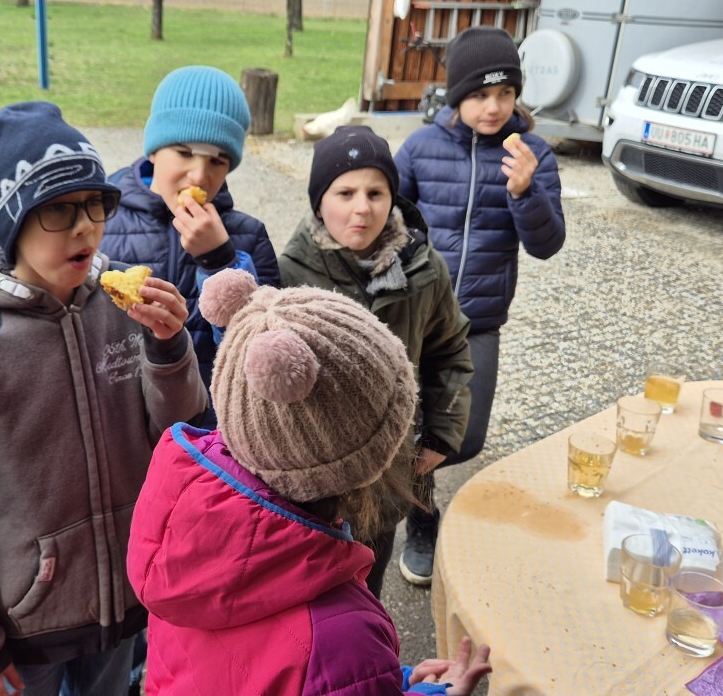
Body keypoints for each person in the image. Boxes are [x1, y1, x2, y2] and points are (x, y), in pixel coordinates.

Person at [0, 101, 208, 696]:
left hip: (128, 597)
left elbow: (181, 438)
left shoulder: (124, 308)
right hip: (27, 621)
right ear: (12, 223)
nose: (86, 227)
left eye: (96, 203)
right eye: (58, 209)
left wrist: (169, 346)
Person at [127, 269, 493, 695]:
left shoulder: (180, 536)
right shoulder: (345, 638)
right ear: (372, 456)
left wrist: (393, 680)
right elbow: (328, 674)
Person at [394, 25, 566, 587]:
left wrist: (525, 193)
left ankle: (411, 485)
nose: (493, 107)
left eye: (505, 93)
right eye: (480, 94)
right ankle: (420, 515)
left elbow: (546, 245)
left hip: (478, 322)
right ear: (457, 95)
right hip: (415, 316)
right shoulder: (420, 148)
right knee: (401, 424)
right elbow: (388, 220)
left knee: (463, 437)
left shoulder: (533, 154)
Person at [278, 125, 473, 599]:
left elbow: (449, 350)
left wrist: (441, 433)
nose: (361, 207)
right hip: (313, 474)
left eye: (375, 192)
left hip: (387, 472)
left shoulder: (424, 268)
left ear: (392, 198)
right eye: (345, 193)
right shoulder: (287, 273)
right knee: (310, 589)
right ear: (319, 202)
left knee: (368, 580)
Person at [100, 65, 280, 424]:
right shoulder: (103, 221)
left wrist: (220, 260)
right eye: (183, 152)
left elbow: (262, 356)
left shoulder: (248, 237)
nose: (199, 175)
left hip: (208, 431)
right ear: (153, 151)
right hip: (122, 425)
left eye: (217, 160)